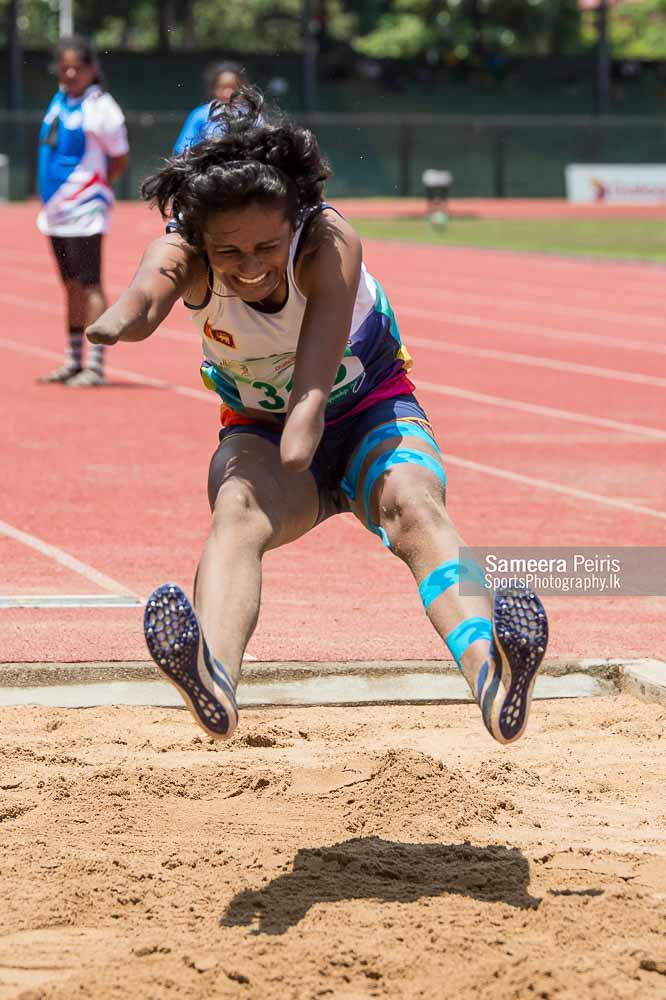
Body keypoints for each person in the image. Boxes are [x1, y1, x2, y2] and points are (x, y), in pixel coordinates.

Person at [86, 91, 548, 746]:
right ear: (200, 241)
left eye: (265, 247)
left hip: (368, 412)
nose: (249, 268)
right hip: (262, 432)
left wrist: (305, 422)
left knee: (415, 505)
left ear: (295, 220)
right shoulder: (183, 252)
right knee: (237, 511)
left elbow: (315, 370)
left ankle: (492, 673)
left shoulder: (329, 241)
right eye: (228, 253)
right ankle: (212, 677)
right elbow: (144, 297)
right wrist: (119, 322)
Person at [37, 35, 129, 387]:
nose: (71, 73)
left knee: (91, 284)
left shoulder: (101, 107)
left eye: (78, 67)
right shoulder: (59, 100)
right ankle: (73, 360)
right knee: (71, 285)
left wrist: (93, 188)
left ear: (92, 69)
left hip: (85, 211)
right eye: (65, 68)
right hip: (56, 214)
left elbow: (119, 158)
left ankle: (96, 364)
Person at [173, 61, 250, 154]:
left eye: (233, 87)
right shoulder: (201, 114)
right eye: (222, 87)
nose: (228, 93)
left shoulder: (253, 114)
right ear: (213, 89)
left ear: (243, 88)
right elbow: (181, 149)